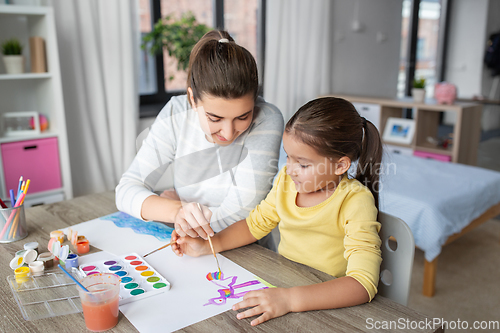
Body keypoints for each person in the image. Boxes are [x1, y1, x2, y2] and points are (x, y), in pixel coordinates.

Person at [171, 97, 383, 326]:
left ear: (340, 165)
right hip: (284, 287)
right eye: (288, 157)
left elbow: (362, 284)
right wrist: (209, 245)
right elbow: (255, 224)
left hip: (326, 306)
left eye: (302, 164)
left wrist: (290, 299)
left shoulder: (355, 201)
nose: (289, 169)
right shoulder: (286, 182)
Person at [116, 30, 284, 240]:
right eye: (215, 118)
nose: (229, 132)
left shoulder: (267, 119)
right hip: (189, 245)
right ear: (192, 99)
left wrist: (172, 211)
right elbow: (126, 191)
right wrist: (177, 210)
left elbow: (241, 217)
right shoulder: (176, 113)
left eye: (243, 116)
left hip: (248, 255)